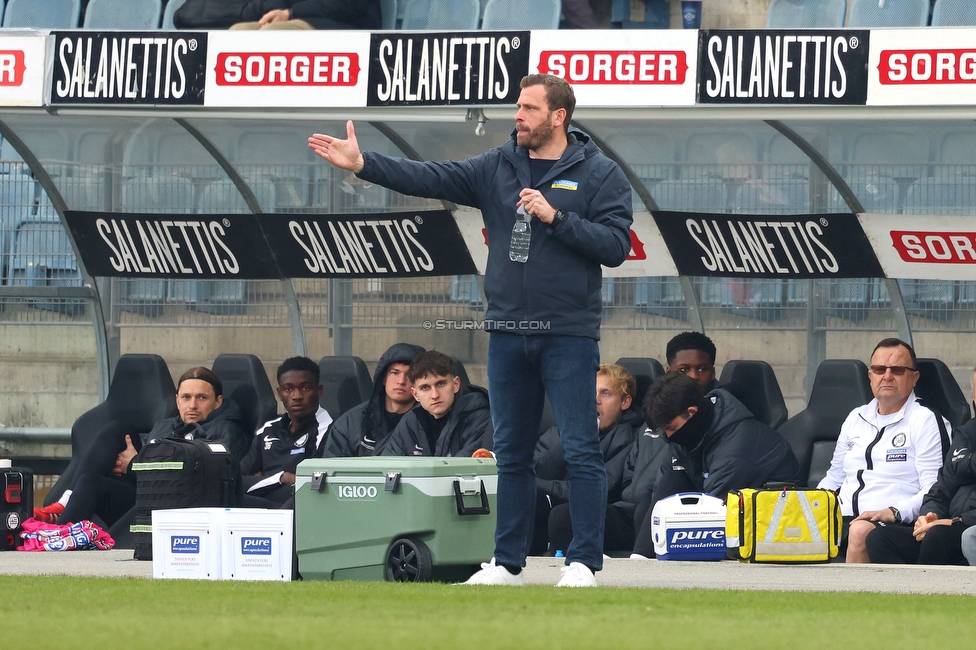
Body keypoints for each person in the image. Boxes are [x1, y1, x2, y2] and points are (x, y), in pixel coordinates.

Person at [308, 73, 633, 587]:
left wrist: (556, 218)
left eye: (528, 108)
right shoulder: (497, 166)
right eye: (518, 106)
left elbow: (616, 246)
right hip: (506, 333)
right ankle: (506, 564)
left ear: (558, 117)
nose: (517, 116)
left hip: (567, 333)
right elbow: (431, 176)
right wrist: (365, 165)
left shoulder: (600, 174)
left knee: (580, 449)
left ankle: (583, 563)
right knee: (511, 452)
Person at [36, 367, 249, 546]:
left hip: (175, 508)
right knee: (114, 436)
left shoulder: (226, 431)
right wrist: (126, 464)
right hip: (142, 494)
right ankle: (57, 530)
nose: (192, 405)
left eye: (202, 398)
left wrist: (135, 465)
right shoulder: (165, 426)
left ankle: (57, 532)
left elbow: (198, 480)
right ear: (177, 401)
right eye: (186, 397)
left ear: (218, 402)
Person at [817, 338, 949, 563]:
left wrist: (894, 511)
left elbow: (934, 490)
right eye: (879, 369)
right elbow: (834, 478)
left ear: (914, 378)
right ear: (870, 377)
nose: (887, 376)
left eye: (897, 370)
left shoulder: (925, 421)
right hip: (843, 517)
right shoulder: (854, 417)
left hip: (896, 523)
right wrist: (807, 505)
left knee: (859, 532)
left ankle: (848, 598)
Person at [640, 372, 799, 550]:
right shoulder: (688, 433)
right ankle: (642, 558)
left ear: (691, 413)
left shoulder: (736, 451)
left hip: (771, 530)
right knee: (668, 484)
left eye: (670, 428)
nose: (667, 436)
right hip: (732, 516)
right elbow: (661, 494)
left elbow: (711, 514)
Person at [625, 332, 720, 558]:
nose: (694, 377)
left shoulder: (717, 419)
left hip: (686, 511)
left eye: (702, 369)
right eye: (684, 370)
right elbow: (629, 473)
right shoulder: (649, 421)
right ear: (669, 373)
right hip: (639, 506)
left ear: (714, 373)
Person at [865, 384, 976, 565]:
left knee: (937, 537)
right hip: (948, 526)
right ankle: (905, 592)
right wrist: (930, 514)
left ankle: (926, 591)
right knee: (879, 538)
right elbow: (943, 484)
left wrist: (955, 521)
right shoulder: (965, 434)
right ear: (973, 395)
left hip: (966, 528)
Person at [541, 364, 642, 556]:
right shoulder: (559, 431)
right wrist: (570, 439)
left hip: (609, 517)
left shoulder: (631, 438)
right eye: (589, 391)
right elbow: (537, 470)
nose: (594, 400)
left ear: (625, 402)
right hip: (556, 509)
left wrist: (529, 483)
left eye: (605, 394)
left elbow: (597, 490)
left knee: (563, 513)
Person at [241, 356, 332, 507]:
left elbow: (311, 487)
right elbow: (238, 480)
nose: (296, 396)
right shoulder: (267, 430)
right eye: (288, 389)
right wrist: (283, 478)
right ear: (280, 393)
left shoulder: (329, 430)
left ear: (319, 391)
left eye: (305, 388)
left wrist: (262, 481)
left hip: (299, 512)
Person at [379, 351, 490, 457]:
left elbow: (462, 470)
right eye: (425, 387)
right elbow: (387, 465)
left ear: (456, 384)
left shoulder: (480, 418)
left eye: (441, 384)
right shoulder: (411, 421)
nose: (435, 395)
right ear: (415, 394)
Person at [322, 343, 425, 457]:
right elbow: (332, 469)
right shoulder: (351, 423)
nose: (401, 381)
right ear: (384, 378)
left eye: (410, 375)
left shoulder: (429, 423)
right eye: (395, 373)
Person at [230, 0, 380, 30]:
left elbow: (348, 5)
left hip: (343, 23)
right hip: (294, 17)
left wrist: (291, 13)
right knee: (239, 31)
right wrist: (276, 11)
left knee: (273, 33)